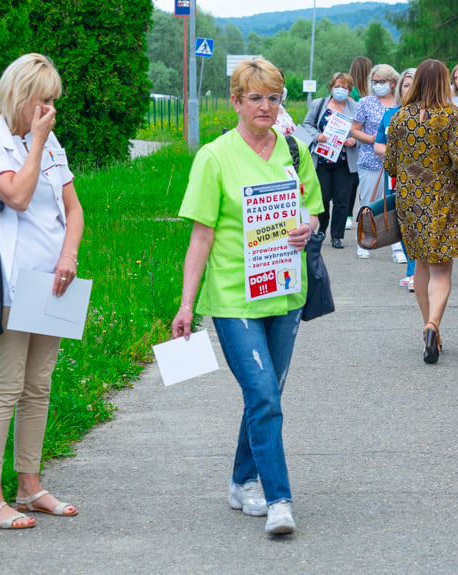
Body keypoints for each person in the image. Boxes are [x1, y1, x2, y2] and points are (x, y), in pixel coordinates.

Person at [171, 57, 322, 536]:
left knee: (267, 396)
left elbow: (313, 212)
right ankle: (279, 499)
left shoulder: (295, 150)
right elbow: (200, 236)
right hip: (234, 298)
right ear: (236, 101)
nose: (266, 106)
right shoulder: (214, 157)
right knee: (261, 393)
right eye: (255, 97)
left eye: (274, 97)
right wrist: (186, 305)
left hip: (286, 292)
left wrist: (308, 228)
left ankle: (241, 480)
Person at [0, 53, 83, 529]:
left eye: (54, 101)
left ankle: (30, 487)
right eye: (45, 99)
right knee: (7, 386)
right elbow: (14, 195)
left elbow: (73, 210)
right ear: (21, 96)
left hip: (52, 281)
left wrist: (68, 256)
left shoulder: (51, 142)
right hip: (9, 280)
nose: (52, 110)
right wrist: (35, 142)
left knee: (38, 388)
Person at [384, 59, 458, 364]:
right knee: (441, 269)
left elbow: (389, 162)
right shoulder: (452, 115)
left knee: (421, 268)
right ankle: (433, 326)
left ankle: (429, 328)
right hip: (443, 200)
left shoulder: (401, 116)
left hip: (409, 201)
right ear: (444, 83)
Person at [302, 72, 358, 248]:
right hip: (322, 160)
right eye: (337, 86)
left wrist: (354, 140)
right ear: (331, 87)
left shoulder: (355, 107)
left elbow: (360, 129)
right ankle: (321, 228)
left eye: (344, 87)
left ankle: (337, 236)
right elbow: (306, 125)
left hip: (343, 160)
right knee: (323, 198)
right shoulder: (319, 104)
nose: (340, 90)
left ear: (349, 90)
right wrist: (316, 136)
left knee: (342, 199)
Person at [374, 67, 417, 288]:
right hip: (397, 178)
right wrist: (393, 151)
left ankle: (420, 273)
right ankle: (413, 271)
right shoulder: (391, 114)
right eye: (406, 85)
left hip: (425, 180)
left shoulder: (431, 114)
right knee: (405, 225)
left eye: (413, 84)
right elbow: (378, 145)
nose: (409, 89)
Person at [351, 63, 399, 259]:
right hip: (371, 160)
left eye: (382, 81)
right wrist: (373, 139)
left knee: (395, 204)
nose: (377, 85)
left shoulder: (400, 104)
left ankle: (396, 245)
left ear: (393, 83)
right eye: (374, 81)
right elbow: (354, 129)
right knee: (369, 201)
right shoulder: (365, 103)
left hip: (396, 163)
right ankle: (364, 240)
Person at [346, 56, 374, 231]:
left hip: (354, 139)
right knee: (361, 183)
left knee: (351, 181)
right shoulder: (368, 93)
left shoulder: (352, 91)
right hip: (365, 140)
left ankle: (348, 215)